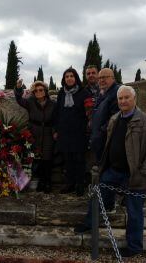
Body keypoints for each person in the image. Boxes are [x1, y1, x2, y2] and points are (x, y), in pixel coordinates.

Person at [74, 85, 146, 258]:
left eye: (126, 98)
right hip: (113, 171)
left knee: (134, 212)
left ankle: (134, 247)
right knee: (97, 197)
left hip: (136, 175)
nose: (123, 101)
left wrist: (144, 170)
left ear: (134, 99)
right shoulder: (115, 118)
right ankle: (89, 223)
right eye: (120, 98)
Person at [53, 67, 91, 196]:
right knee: (68, 160)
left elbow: (89, 113)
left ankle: (80, 185)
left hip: (79, 132)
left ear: (76, 78)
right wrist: (56, 129)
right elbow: (57, 112)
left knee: (79, 160)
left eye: (71, 76)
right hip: (64, 132)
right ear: (64, 79)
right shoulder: (61, 93)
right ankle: (70, 183)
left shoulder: (84, 93)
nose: (69, 78)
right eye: (67, 76)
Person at [15, 79, 55, 193]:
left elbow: (56, 118)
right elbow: (19, 99)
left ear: (45, 91)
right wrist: (18, 88)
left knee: (47, 158)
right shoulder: (30, 102)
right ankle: (39, 183)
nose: (38, 92)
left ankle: (47, 183)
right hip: (34, 132)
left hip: (48, 132)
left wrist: (55, 131)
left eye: (41, 90)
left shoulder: (52, 104)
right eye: (36, 90)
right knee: (36, 157)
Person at [90, 68, 120, 161]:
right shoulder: (103, 92)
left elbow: (116, 117)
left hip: (108, 141)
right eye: (99, 78)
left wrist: (100, 132)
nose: (101, 80)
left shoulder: (117, 93)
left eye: (104, 77)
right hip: (100, 140)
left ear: (113, 78)